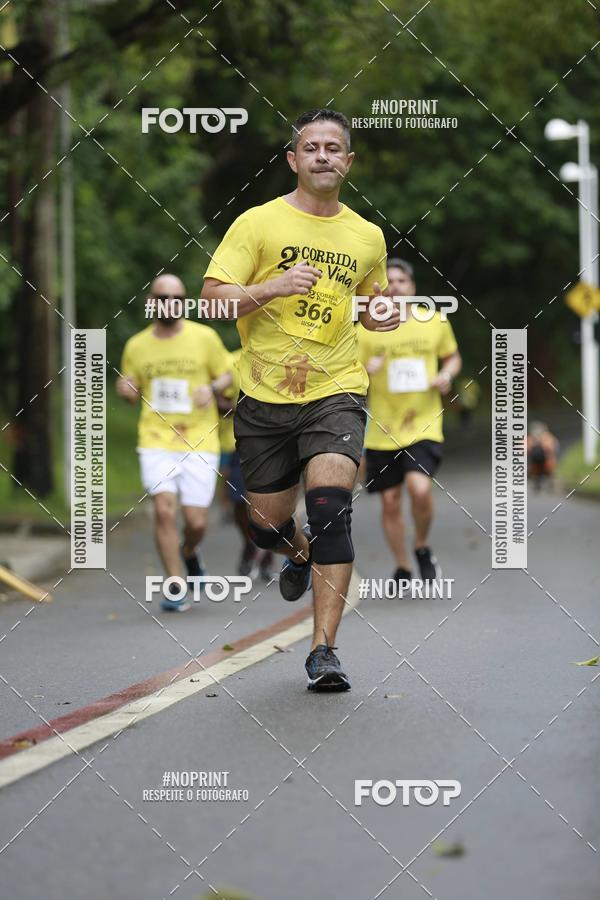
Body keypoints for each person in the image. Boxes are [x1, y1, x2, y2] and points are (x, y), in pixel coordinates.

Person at [201, 108, 399, 691]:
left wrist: (380, 313)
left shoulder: (366, 235)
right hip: (264, 395)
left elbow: (372, 300)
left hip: (336, 388)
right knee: (264, 523)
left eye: (333, 147)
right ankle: (294, 549)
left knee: (333, 507)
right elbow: (212, 301)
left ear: (348, 161)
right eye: (310, 146)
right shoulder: (257, 224)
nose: (321, 155)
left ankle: (324, 651)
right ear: (292, 160)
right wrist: (274, 286)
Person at [117, 274, 232, 612]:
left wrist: (210, 389)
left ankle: (189, 552)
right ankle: (175, 584)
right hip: (156, 439)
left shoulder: (204, 337)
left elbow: (227, 372)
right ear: (152, 301)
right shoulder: (137, 345)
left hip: (200, 439)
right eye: (163, 298)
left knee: (196, 522)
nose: (171, 304)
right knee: (164, 510)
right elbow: (130, 386)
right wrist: (125, 390)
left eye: (177, 298)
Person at [357, 259, 462, 585]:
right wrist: (365, 370)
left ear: (412, 287)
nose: (397, 286)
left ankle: (421, 545)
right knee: (389, 502)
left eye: (402, 280)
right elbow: (346, 375)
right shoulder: (367, 329)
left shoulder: (434, 321)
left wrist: (446, 375)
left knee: (419, 489)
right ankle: (402, 566)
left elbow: (453, 357)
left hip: (424, 424)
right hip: (382, 429)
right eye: (389, 282)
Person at [217, 348, 275, 580]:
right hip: (238, 442)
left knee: (270, 501)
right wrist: (242, 410)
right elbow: (217, 396)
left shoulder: (282, 354)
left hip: (275, 442)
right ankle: (250, 544)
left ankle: (268, 553)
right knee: (240, 502)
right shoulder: (231, 360)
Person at [527, 421, 559, 491]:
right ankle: (538, 483)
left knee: (549, 472)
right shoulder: (530, 439)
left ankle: (551, 484)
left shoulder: (547, 437)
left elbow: (552, 447)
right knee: (536, 471)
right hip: (535, 460)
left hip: (546, 459)